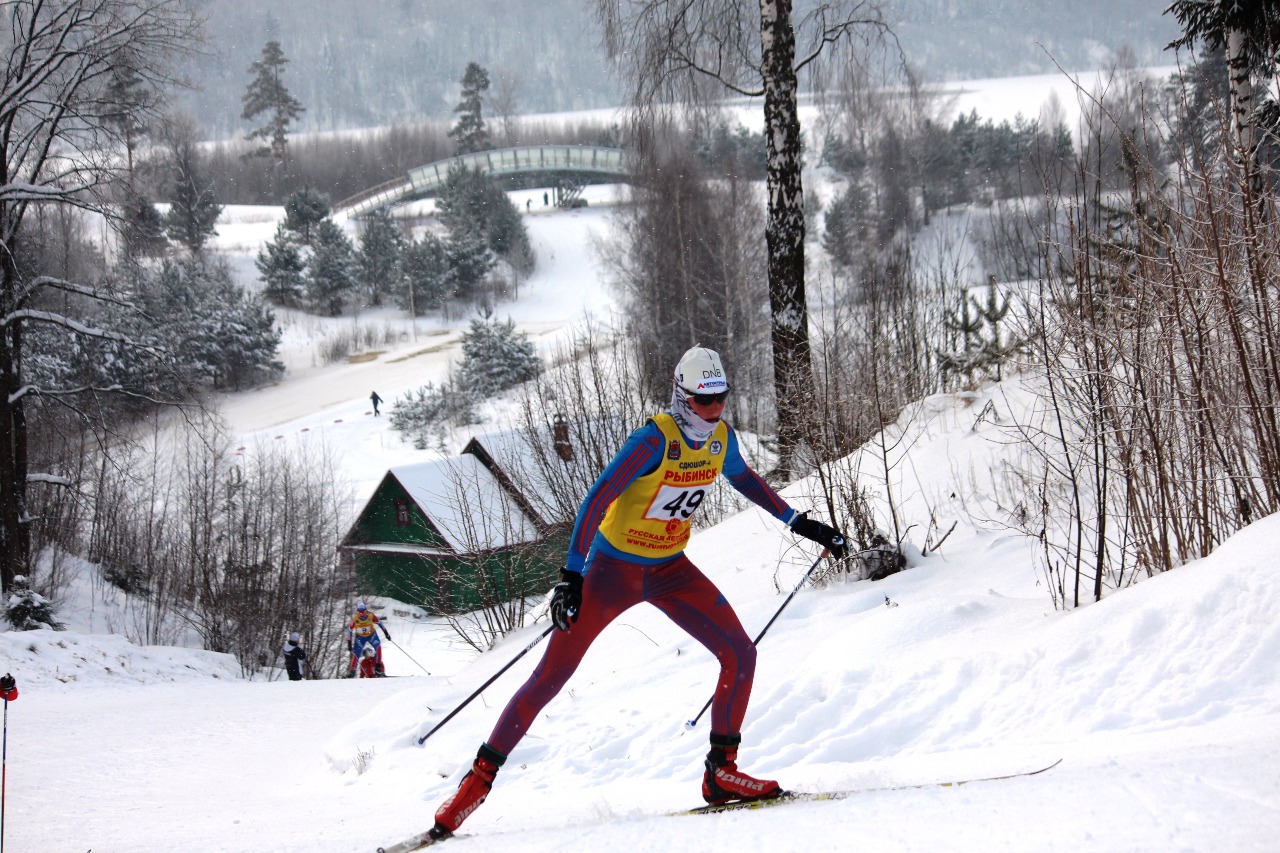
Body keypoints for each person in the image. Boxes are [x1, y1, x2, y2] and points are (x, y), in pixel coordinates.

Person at [428, 346, 845, 840]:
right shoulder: (652, 441)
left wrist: (800, 522)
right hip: (612, 572)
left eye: (721, 399)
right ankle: (475, 785)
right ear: (682, 397)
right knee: (551, 676)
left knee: (740, 654)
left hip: (670, 570)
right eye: (704, 400)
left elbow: (745, 479)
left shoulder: (721, 440)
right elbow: (596, 500)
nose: (714, 410)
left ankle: (721, 772)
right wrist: (572, 575)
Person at [346, 601, 392, 678]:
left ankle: (378, 668)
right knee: (356, 653)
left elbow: (380, 623)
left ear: (366, 610)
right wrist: (349, 643)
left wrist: (386, 633)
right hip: (360, 637)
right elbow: (350, 630)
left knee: (378, 648)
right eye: (360, 612)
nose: (361, 614)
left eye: (363, 612)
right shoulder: (355, 618)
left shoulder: (370, 616)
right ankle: (352, 672)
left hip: (371, 635)